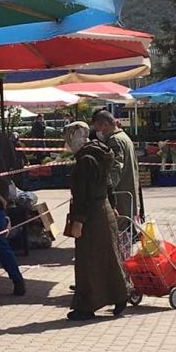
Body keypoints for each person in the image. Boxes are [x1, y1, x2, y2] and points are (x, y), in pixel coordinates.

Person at [63, 121, 128, 320]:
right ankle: (119, 295)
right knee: (109, 257)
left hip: (91, 215)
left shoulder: (86, 159)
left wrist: (78, 221)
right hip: (103, 210)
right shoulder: (99, 153)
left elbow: (84, 194)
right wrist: (113, 205)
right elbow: (107, 183)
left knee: (88, 261)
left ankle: (86, 306)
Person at [92, 109, 142, 229]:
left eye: (98, 128)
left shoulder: (115, 141)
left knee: (120, 232)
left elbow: (115, 168)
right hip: (129, 192)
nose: (98, 133)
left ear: (105, 124)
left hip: (120, 195)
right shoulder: (124, 137)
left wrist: (105, 191)